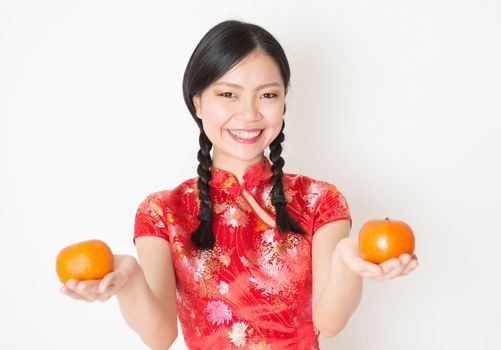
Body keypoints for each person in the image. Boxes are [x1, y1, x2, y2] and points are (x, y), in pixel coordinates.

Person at [60, 20, 419, 350]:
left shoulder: (320, 201)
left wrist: (345, 261)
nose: (249, 114)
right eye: (228, 94)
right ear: (198, 102)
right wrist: (129, 279)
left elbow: (330, 321)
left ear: (283, 100)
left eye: (267, 95)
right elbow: (160, 336)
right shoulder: (162, 212)